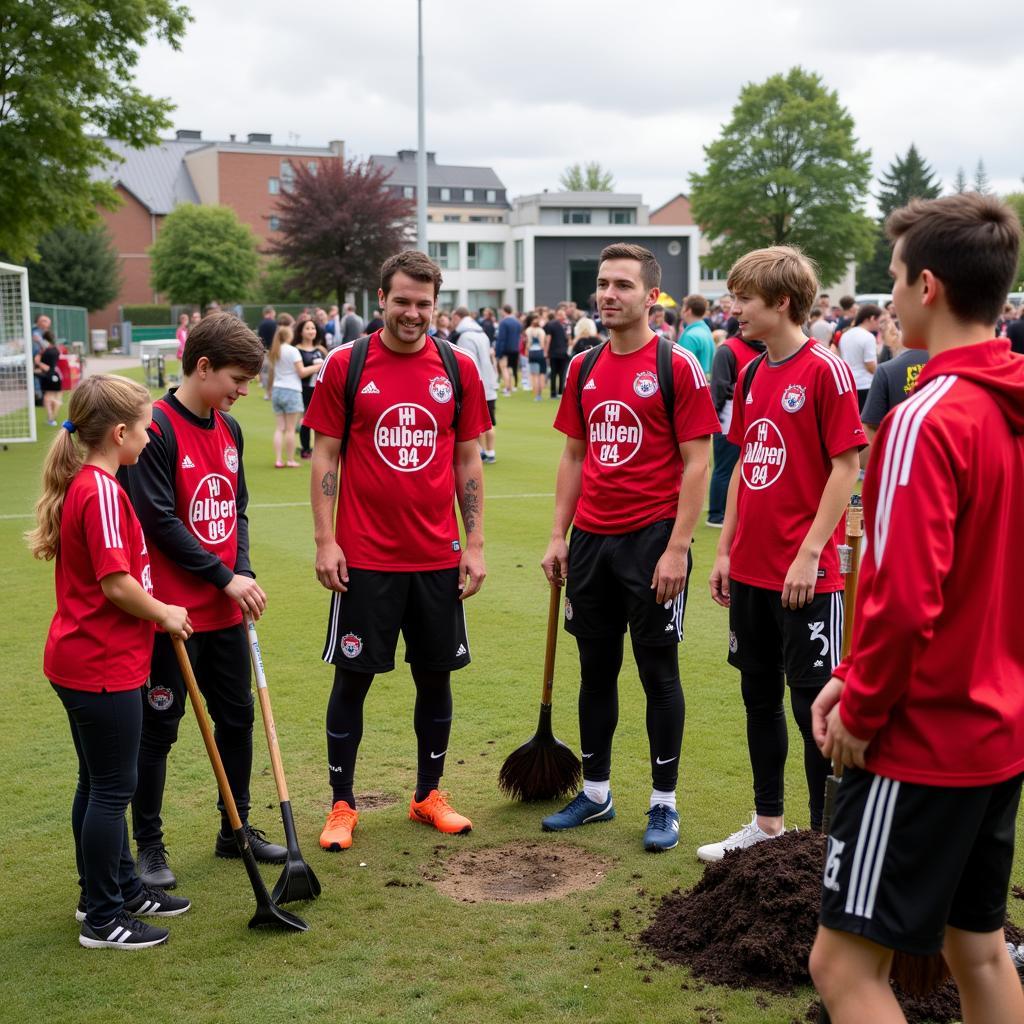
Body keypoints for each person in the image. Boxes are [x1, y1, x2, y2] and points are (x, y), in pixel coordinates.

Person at [808, 194, 1024, 1024]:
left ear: (927, 285)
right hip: (998, 732)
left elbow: (905, 599)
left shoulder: (923, 418)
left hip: (923, 740)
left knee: (844, 968)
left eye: (894, 278)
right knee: (978, 948)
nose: (889, 297)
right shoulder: (1008, 411)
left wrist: (862, 703)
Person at [305, 250, 491, 852]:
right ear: (379, 298)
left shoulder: (458, 366)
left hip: (437, 556)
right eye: (402, 301)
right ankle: (341, 804)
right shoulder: (347, 363)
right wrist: (326, 539)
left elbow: (468, 461)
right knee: (353, 680)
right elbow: (325, 456)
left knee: (435, 680)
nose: (413, 314)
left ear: (436, 304)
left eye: (424, 304)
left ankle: (428, 794)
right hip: (365, 559)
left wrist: (475, 544)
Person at [540, 243, 718, 852]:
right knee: (595, 670)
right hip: (591, 541)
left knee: (658, 672)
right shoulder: (584, 367)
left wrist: (678, 547)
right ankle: (596, 793)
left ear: (650, 295)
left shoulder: (677, 366)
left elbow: (699, 462)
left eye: (622, 284)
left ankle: (663, 804)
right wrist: (559, 535)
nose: (609, 294)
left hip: (652, 543)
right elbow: (573, 455)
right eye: (603, 284)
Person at [699, 245, 864, 862]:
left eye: (743, 297)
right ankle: (767, 826)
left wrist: (809, 551)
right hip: (751, 572)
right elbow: (746, 462)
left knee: (810, 707)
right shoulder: (750, 371)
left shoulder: (825, 369)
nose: (732, 307)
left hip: (808, 578)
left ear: (782, 302)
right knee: (758, 697)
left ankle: (828, 844)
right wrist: (724, 551)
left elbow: (846, 467)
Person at [27, 375, 193, 948]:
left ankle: (118, 887)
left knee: (97, 782)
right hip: (97, 664)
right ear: (120, 433)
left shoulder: (98, 484)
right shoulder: (99, 490)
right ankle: (102, 916)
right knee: (111, 789)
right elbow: (117, 584)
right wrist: (166, 613)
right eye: (146, 427)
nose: (151, 438)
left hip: (95, 659)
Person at [121, 312, 285, 889]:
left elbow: (235, 507)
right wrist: (222, 577)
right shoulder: (157, 427)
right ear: (203, 365)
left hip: (223, 608)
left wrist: (240, 571)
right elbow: (158, 520)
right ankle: (150, 847)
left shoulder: (229, 427)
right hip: (170, 614)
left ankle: (234, 828)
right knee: (159, 729)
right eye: (237, 380)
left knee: (237, 719)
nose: (243, 392)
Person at [706, 328, 766, 527]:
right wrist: (715, 417)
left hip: (754, 415)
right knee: (725, 466)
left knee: (745, 466)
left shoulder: (766, 347)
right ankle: (716, 514)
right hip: (728, 415)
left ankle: (732, 511)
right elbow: (720, 387)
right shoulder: (727, 349)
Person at [452, 306, 498, 463]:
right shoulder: (482, 333)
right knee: (490, 420)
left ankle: (481, 450)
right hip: (489, 380)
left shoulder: (465, 336)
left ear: (457, 317)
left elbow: (467, 363)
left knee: (475, 421)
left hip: (477, 382)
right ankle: (490, 451)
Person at [267, 323, 306, 468]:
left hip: (278, 389)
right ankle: (290, 459)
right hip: (291, 390)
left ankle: (278, 459)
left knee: (280, 428)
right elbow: (301, 372)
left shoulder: (276, 350)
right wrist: (318, 366)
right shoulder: (293, 350)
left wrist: (269, 390)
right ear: (289, 336)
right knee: (290, 429)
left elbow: (272, 373)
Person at [837, 304, 881, 412]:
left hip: (849, 384)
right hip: (865, 385)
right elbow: (870, 366)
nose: (879, 324)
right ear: (871, 318)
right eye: (878, 320)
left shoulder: (846, 334)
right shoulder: (868, 337)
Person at [295, 318, 328, 459]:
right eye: (308, 328)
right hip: (303, 389)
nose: (311, 331)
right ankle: (305, 448)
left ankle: (319, 449)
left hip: (319, 389)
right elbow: (300, 372)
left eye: (313, 328)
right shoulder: (297, 350)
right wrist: (316, 367)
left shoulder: (321, 350)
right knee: (306, 420)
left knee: (320, 421)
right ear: (301, 332)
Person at [679, 295, 715, 378]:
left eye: (683, 307)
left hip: (693, 385)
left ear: (688, 311)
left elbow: (683, 369)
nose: (681, 310)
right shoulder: (706, 330)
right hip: (706, 383)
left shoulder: (690, 336)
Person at [35, 330, 64, 425]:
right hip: (57, 376)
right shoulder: (56, 350)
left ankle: (51, 419)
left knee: (48, 398)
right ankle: (52, 419)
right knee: (57, 397)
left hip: (49, 376)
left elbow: (48, 368)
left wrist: (38, 362)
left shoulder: (46, 352)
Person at [496, 305, 522, 396]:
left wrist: (498, 352)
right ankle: (510, 387)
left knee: (504, 368)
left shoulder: (503, 322)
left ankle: (507, 389)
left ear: (504, 311)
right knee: (510, 369)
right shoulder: (518, 322)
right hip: (515, 349)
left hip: (506, 349)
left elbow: (501, 338)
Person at [545, 310, 570, 398]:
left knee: (554, 373)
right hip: (562, 352)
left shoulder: (551, 324)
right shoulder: (566, 325)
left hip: (554, 352)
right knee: (560, 373)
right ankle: (559, 392)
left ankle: (554, 393)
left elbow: (548, 339)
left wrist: (546, 351)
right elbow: (568, 339)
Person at [525, 314, 547, 401]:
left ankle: (536, 394)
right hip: (539, 352)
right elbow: (542, 344)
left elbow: (528, 344)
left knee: (534, 375)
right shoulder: (541, 331)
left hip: (532, 352)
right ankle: (539, 394)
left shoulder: (528, 330)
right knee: (541, 374)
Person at [256, 306, 277, 395]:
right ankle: (270, 391)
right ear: (271, 312)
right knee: (272, 372)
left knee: (264, 371)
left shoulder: (261, 324)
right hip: (273, 350)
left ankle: (266, 389)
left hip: (264, 350)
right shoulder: (274, 323)